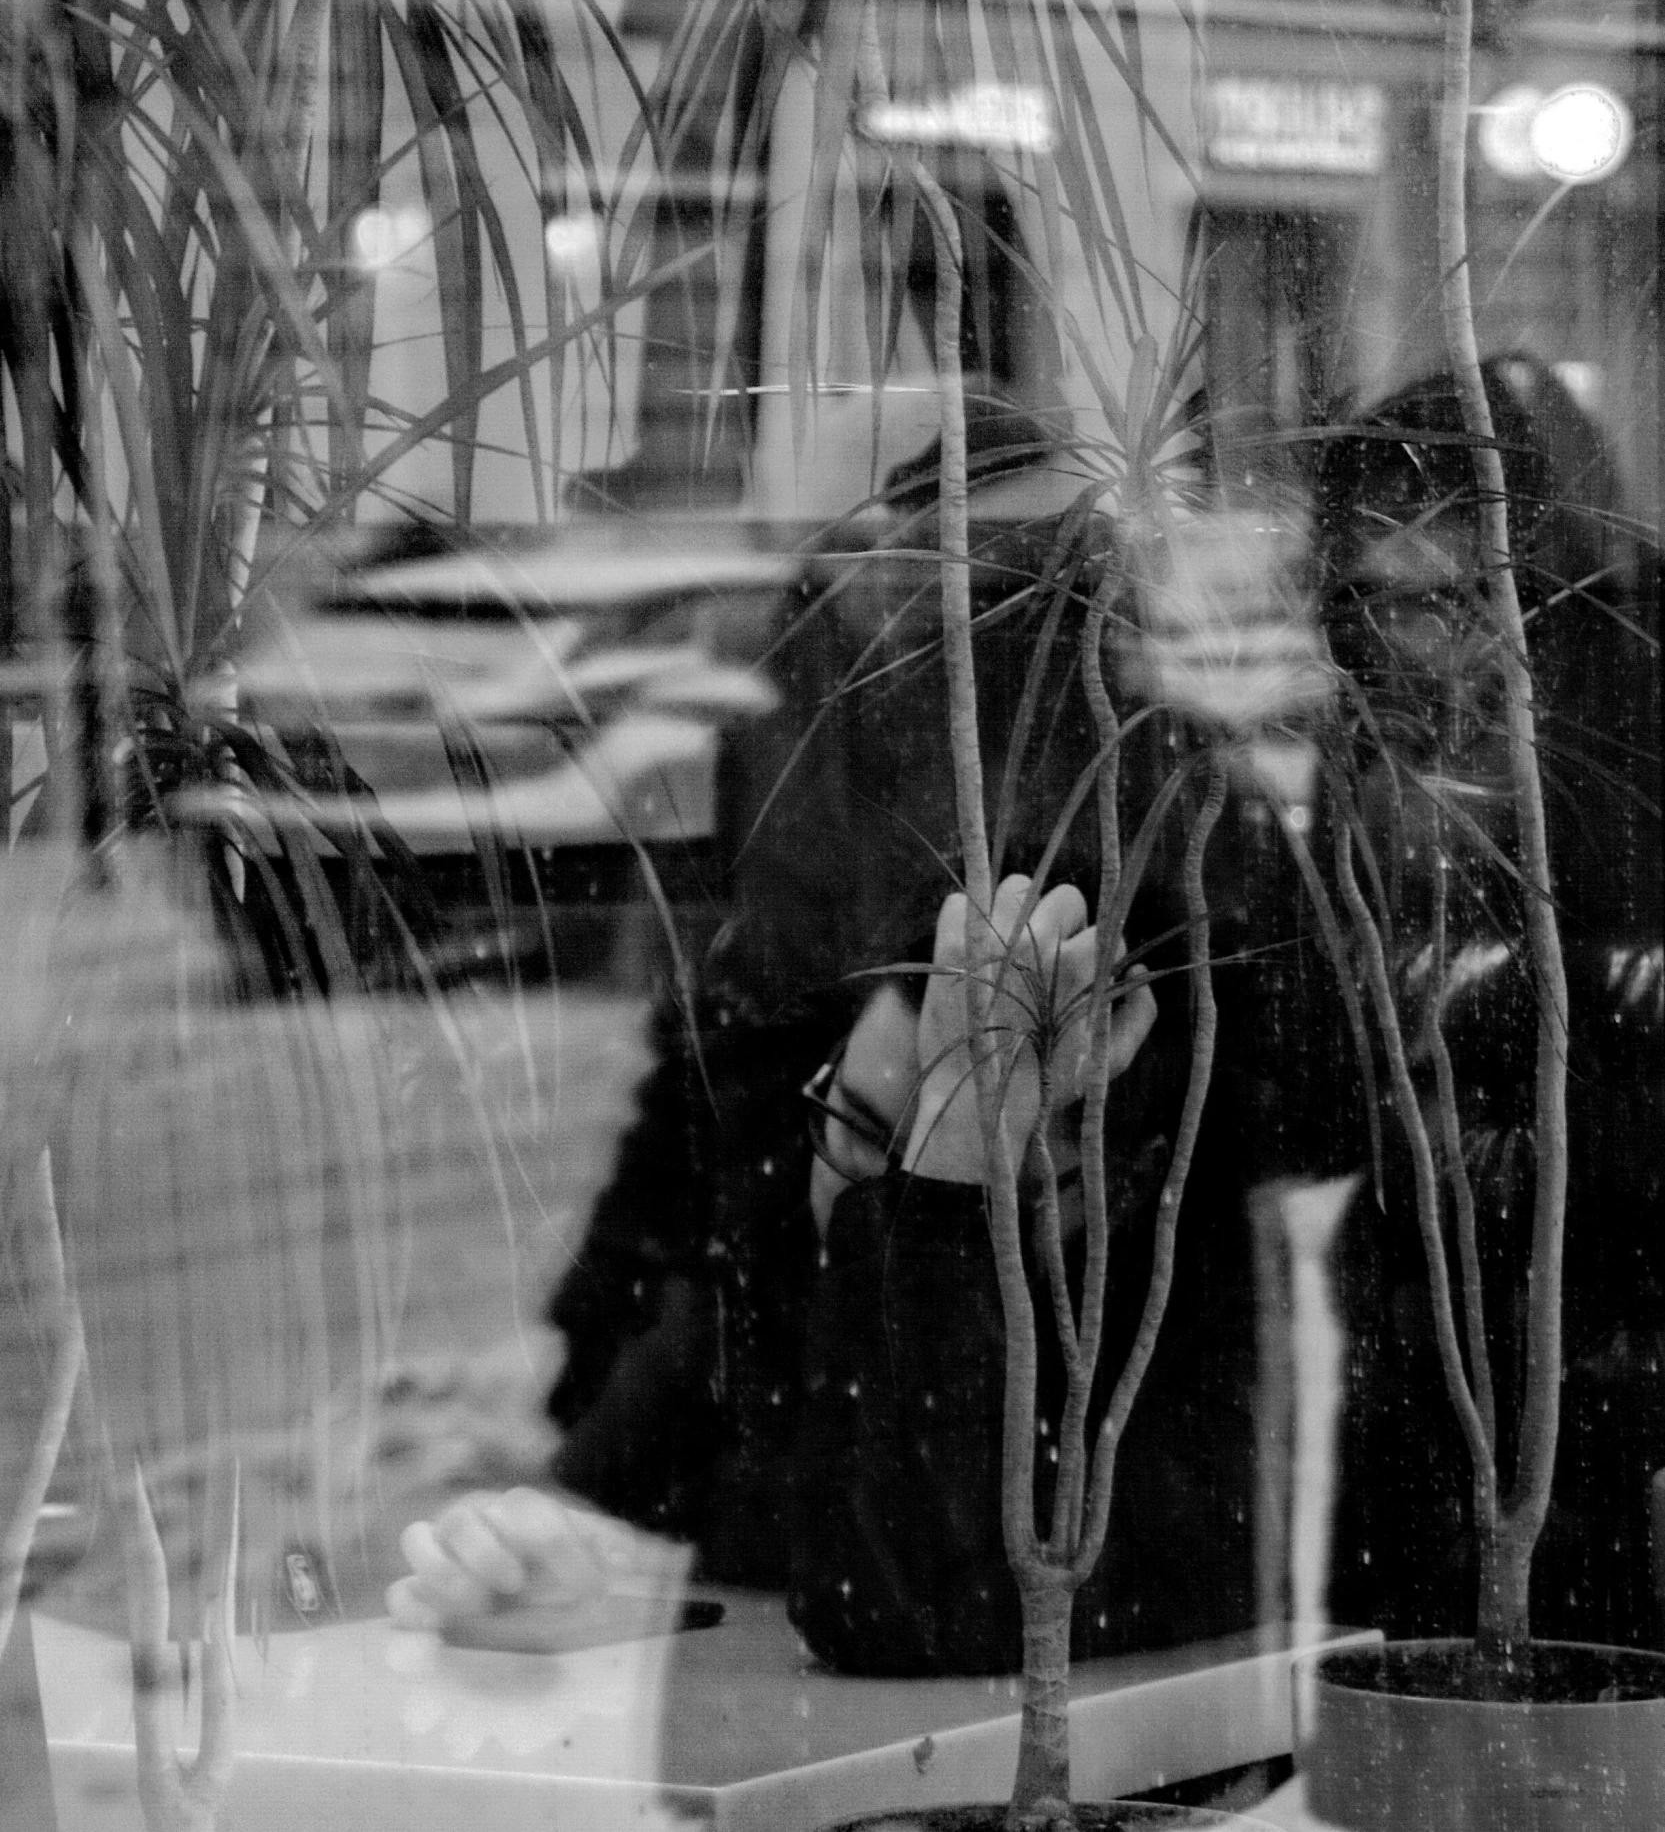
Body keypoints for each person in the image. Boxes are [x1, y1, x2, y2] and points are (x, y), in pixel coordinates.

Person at [389, 373, 1349, 1671]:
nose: (905, 592)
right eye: (869, 559)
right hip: (845, 1463)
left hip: (1020, 1504)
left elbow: (1050, 1225)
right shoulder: (809, 755)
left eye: (962, 560)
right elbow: (717, 1102)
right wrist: (584, 1416)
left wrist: (598, 1461)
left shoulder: (1125, 811)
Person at [1315, 354, 1664, 1650]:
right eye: (1379, 599)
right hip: (1423, 1326)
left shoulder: (1619, 721)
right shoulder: (1355, 742)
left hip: (1608, 1330)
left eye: (1459, 595)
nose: (1420, 635)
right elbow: (1309, 1079)